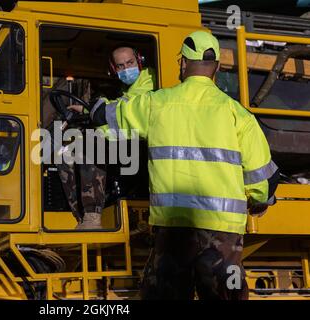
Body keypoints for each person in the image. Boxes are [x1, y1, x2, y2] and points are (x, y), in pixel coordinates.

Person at [90, 30, 279, 299]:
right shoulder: (239, 114)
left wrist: (96, 106)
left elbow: (108, 118)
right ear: (218, 68)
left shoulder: (156, 103)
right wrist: (259, 200)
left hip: (174, 230)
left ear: (182, 63)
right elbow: (262, 181)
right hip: (224, 234)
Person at [60, 45, 155, 230]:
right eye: (120, 66)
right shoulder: (124, 88)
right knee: (64, 150)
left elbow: (122, 109)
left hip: (142, 144)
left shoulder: (149, 80)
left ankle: (93, 214)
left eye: (130, 62)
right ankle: (81, 216)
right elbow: (113, 110)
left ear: (140, 61)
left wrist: (95, 108)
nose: (126, 69)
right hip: (126, 140)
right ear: (113, 69)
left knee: (89, 143)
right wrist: (89, 110)